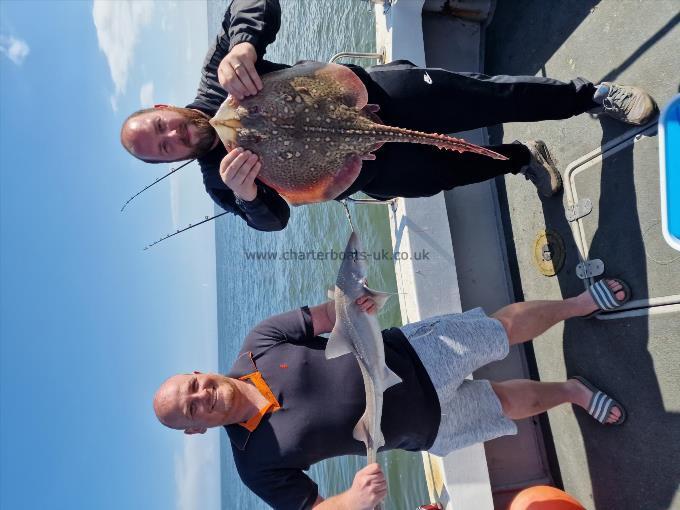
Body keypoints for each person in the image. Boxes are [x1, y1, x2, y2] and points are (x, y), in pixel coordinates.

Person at [120, 0, 657, 231]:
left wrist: (243, 43)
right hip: (369, 167)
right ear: (168, 161)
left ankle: (592, 95)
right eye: (162, 147)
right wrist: (249, 197)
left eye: (160, 125)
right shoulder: (219, 182)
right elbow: (274, 221)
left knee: (491, 98)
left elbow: (253, 4)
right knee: (453, 168)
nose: (170, 135)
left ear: (164, 107)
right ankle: (518, 159)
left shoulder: (219, 76)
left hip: (378, 93)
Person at [153, 278, 631, 509]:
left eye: (193, 387)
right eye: (191, 409)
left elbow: (328, 316)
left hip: (415, 354)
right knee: (506, 404)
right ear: (196, 429)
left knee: (500, 330)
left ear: (199, 373)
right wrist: (353, 499)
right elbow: (314, 509)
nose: (201, 396)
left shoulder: (259, 343)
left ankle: (580, 303)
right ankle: (572, 392)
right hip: (418, 429)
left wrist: (351, 299)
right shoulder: (253, 462)